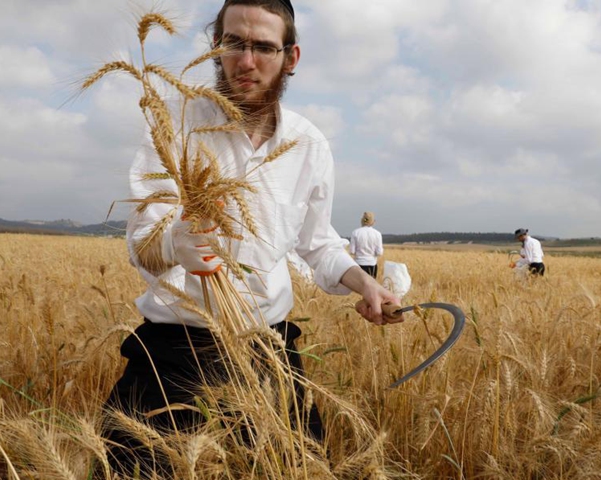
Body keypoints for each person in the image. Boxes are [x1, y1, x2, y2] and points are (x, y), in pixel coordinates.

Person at [103, 0, 402, 475]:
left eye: (263, 47)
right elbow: (142, 239)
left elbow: (317, 242)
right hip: (173, 357)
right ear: (215, 47)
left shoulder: (309, 145)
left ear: (291, 57)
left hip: (269, 354)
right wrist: (175, 242)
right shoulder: (172, 122)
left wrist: (363, 283)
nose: (246, 61)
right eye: (233, 43)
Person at [349, 211, 384, 278]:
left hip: (358, 264)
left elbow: (352, 251)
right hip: (372, 265)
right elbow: (379, 253)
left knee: (358, 287)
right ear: (373, 222)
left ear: (362, 221)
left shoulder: (355, 232)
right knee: (371, 287)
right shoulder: (377, 234)